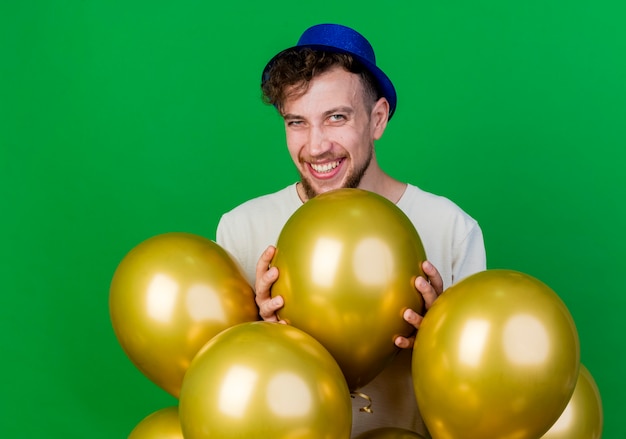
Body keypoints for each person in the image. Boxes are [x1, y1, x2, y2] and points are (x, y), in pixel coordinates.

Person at [216, 23, 486, 437]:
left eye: (336, 117)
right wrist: (255, 332)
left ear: (377, 119)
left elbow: (481, 396)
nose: (316, 145)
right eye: (297, 123)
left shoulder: (451, 228)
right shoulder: (241, 229)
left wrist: (445, 336)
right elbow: (222, 396)